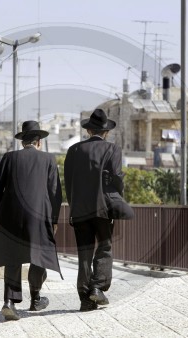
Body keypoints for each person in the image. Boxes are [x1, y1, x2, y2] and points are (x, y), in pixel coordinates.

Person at [0, 120, 63, 321]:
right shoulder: (48, 159)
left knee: (13, 256)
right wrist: (54, 220)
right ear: (39, 142)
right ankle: (36, 298)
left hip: (10, 215)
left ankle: (10, 302)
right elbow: (55, 193)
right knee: (39, 256)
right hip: (38, 216)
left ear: (23, 142)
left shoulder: (9, 158)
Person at [64, 108, 123, 312]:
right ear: (106, 132)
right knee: (104, 247)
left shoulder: (74, 151)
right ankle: (97, 287)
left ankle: (85, 298)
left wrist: (73, 208)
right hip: (103, 208)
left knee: (84, 253)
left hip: (79, 210)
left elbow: (68, 184)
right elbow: (117, 178)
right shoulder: (112, 150)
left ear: (88, 131)